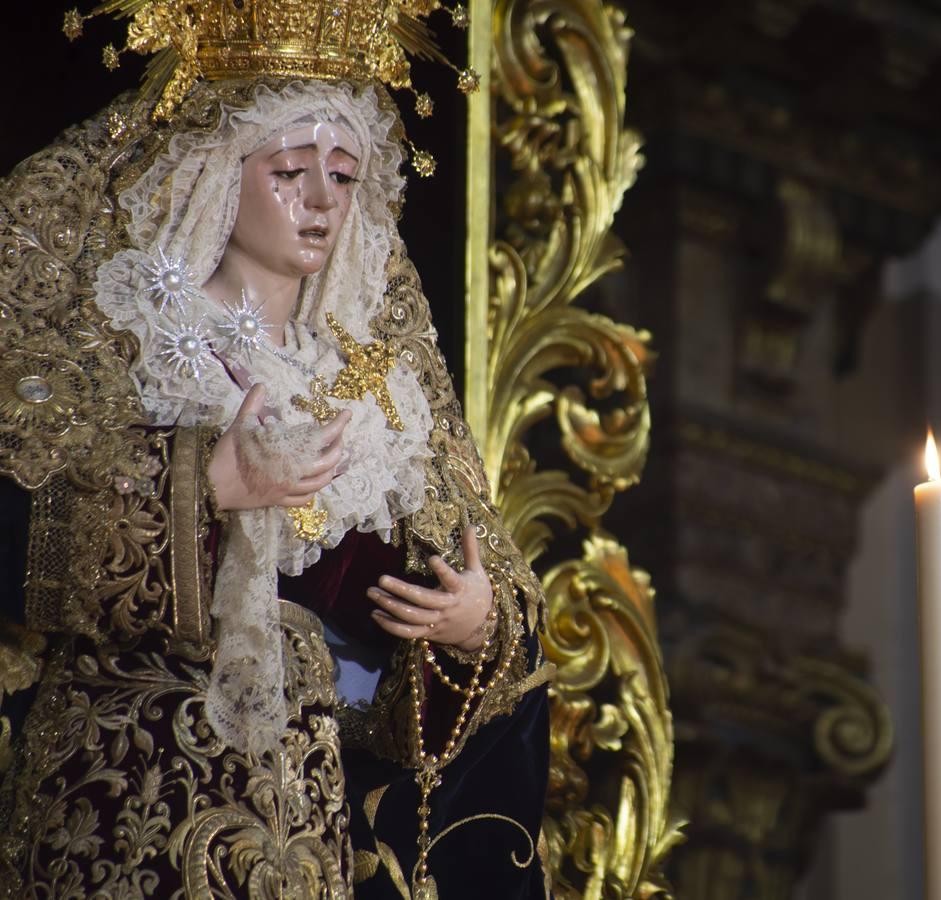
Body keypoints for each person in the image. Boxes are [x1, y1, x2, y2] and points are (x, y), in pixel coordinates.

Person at [0, 5, 551, 898]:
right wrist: (199, 485)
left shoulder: (385, 384)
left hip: (320, 825)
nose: (323, 201)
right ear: (220, 171)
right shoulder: (127, 331)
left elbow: (458, 635)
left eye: (343, 173)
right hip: (128, 789)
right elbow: (19, 537)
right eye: (291, 171)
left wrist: (471, 626)